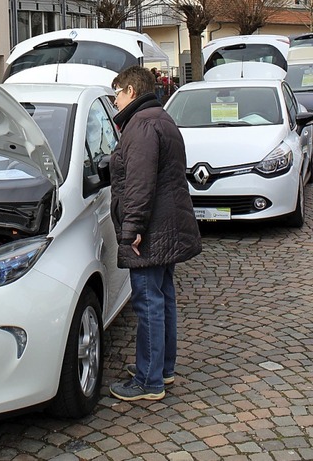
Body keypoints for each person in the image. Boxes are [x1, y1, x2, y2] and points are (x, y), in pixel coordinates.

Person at [108, 66, 201, 401]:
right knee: (162, 297)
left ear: (131, 90)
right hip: (167, 225)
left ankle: (149, 382)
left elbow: (140, 184)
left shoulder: (142, 125)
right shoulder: (159, 117)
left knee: (148, 301)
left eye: (116, 91)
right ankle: (161, 368)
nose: (114, 99)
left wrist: (131, 230)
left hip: (151, 230)